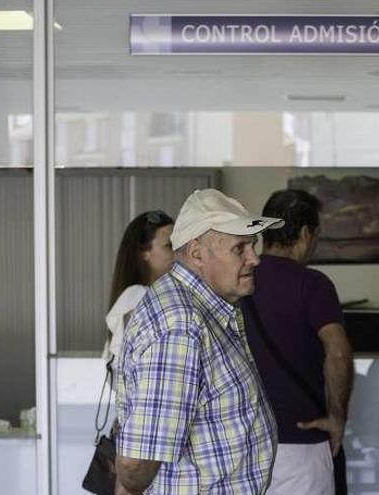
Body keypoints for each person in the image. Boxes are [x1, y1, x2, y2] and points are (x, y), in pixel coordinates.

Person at [113, 189, 283, 495]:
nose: (254, 259)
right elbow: (134, 466)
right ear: (195, 254)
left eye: (253, 245)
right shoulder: (181, 326)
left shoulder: (203, 308)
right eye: (240, 248)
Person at [240, 189, 354, 495]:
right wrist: (337, 417)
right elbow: (339, 353)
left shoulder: (236, 281)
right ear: (305, 233)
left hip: (245, 446)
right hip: (302, 445)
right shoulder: (313, 285)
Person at [103, 209, 175, 368]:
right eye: (169, 245)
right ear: (144, 252)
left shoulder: (151, 295)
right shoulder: (137, 297)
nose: (177, 252)